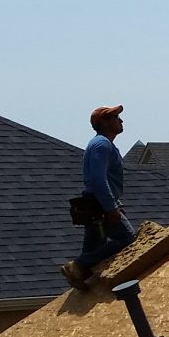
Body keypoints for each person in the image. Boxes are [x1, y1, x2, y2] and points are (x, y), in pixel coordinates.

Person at [63, 104, 135, 287]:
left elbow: (103, 180)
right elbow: (98, 179)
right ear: (104, 122)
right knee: (127, 238)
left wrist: (116, 203)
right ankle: (78, 265)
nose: (121, 120)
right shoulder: (101, 145)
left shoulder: (103, 144)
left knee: (94, 246)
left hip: (96, 203)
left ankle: (79, 273)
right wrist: (111, 208)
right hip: (99, 204)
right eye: (115, 117)